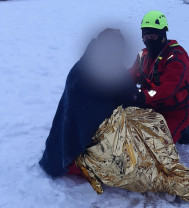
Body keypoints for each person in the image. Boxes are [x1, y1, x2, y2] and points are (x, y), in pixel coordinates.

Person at [39, 29, 144, 178]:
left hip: (59, 151)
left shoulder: (85, 65)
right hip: (80, 155)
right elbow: (128, 102)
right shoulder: (107, 72)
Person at [130, 10, 189, 144]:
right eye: (146, 36)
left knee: (155, 146)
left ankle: (184, 127)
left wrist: (142, 96)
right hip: (153, 106)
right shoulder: (143, 55)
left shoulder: (176, 57)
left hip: (175, 111)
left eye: (153, 36)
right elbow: (131, 75)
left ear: (163, 34)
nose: (149, 40)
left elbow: (166, 89)